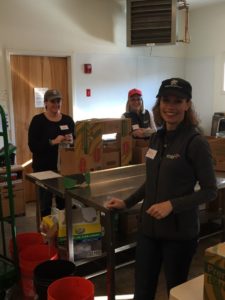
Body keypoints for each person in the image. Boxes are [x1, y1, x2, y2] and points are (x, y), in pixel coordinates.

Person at [106, 78, 217, 299]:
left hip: (179, 234)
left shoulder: (195, 142)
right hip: (149, 230)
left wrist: (172, 205)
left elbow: (210, 191)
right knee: (142, 291)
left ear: (187, 104)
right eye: (166, 100)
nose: (171, 106)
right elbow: (151, 181)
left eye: (178, 101)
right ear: (159, 104)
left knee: (175, 292)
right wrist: (127, 202)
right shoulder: (156, 138)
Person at [28, 89, 75, 217]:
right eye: (52, 101)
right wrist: (52, 142)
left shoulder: (67, 120)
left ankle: (63, 231)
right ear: (46, 103)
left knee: (64, 203)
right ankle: (46, 234)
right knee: (45, 204)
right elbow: (33, 146)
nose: (56, 104)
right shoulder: (38, 120)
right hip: (43, 169)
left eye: (58, 101)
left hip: (64, 169)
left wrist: (71, 140)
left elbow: (76, 142)